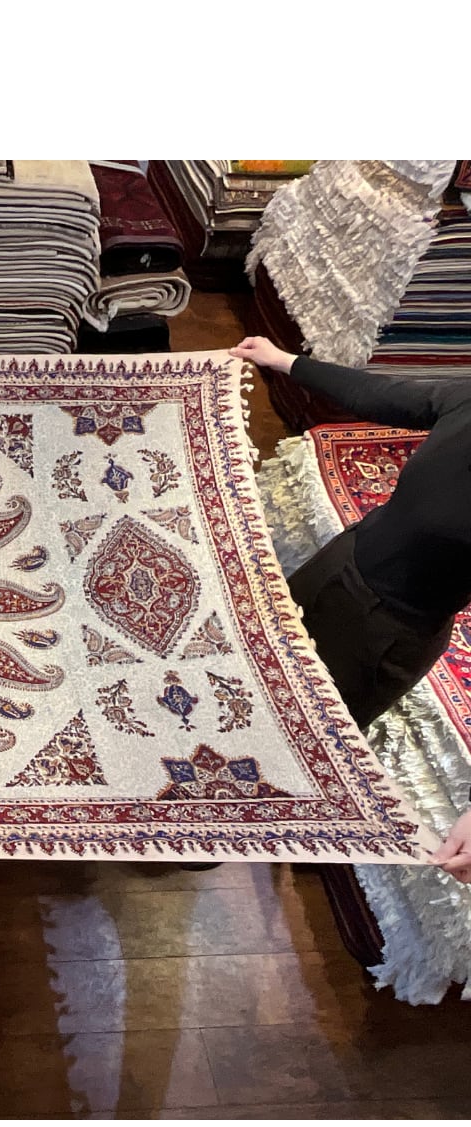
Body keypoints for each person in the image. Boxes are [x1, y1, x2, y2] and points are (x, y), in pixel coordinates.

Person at [231, 336, 471, 884]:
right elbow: (382, 394)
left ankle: (232, 828)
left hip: (388, 632)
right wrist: (283, 361)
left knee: (305, 738)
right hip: (337, 565)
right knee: (254, 675)